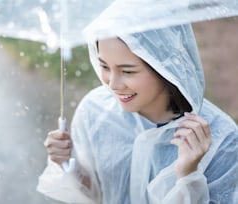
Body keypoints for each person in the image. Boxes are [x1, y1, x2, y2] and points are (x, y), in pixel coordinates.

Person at [37, 24, 238, 204]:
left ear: (166, 66)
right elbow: (96, 195)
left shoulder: (222, 139)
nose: (113, 84)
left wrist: (188, 176)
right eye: (104, 66)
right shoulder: (94, 111)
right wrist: (67, 163)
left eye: (128, 71)